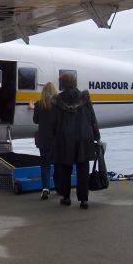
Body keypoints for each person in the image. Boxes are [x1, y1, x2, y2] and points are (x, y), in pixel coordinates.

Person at [47, 73, 100, 210]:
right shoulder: (85, 98)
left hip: (64, 139)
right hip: (84, 137)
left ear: (63, 83)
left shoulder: (57, 100)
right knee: (83, 169)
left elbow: (52, 123)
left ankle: (66, 197)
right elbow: (92, 119)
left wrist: (52, 138)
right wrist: (97, 137)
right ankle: (84, 200)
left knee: (65, 169)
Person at [32, 82, 58, 200]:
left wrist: (33, 108)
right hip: (56, 139)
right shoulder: (58, 105)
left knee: (45, 165)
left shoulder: (39, 104)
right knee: (57, 164)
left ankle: (45, 188)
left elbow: (35, 120)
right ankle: (59, 187)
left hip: (43, 139)